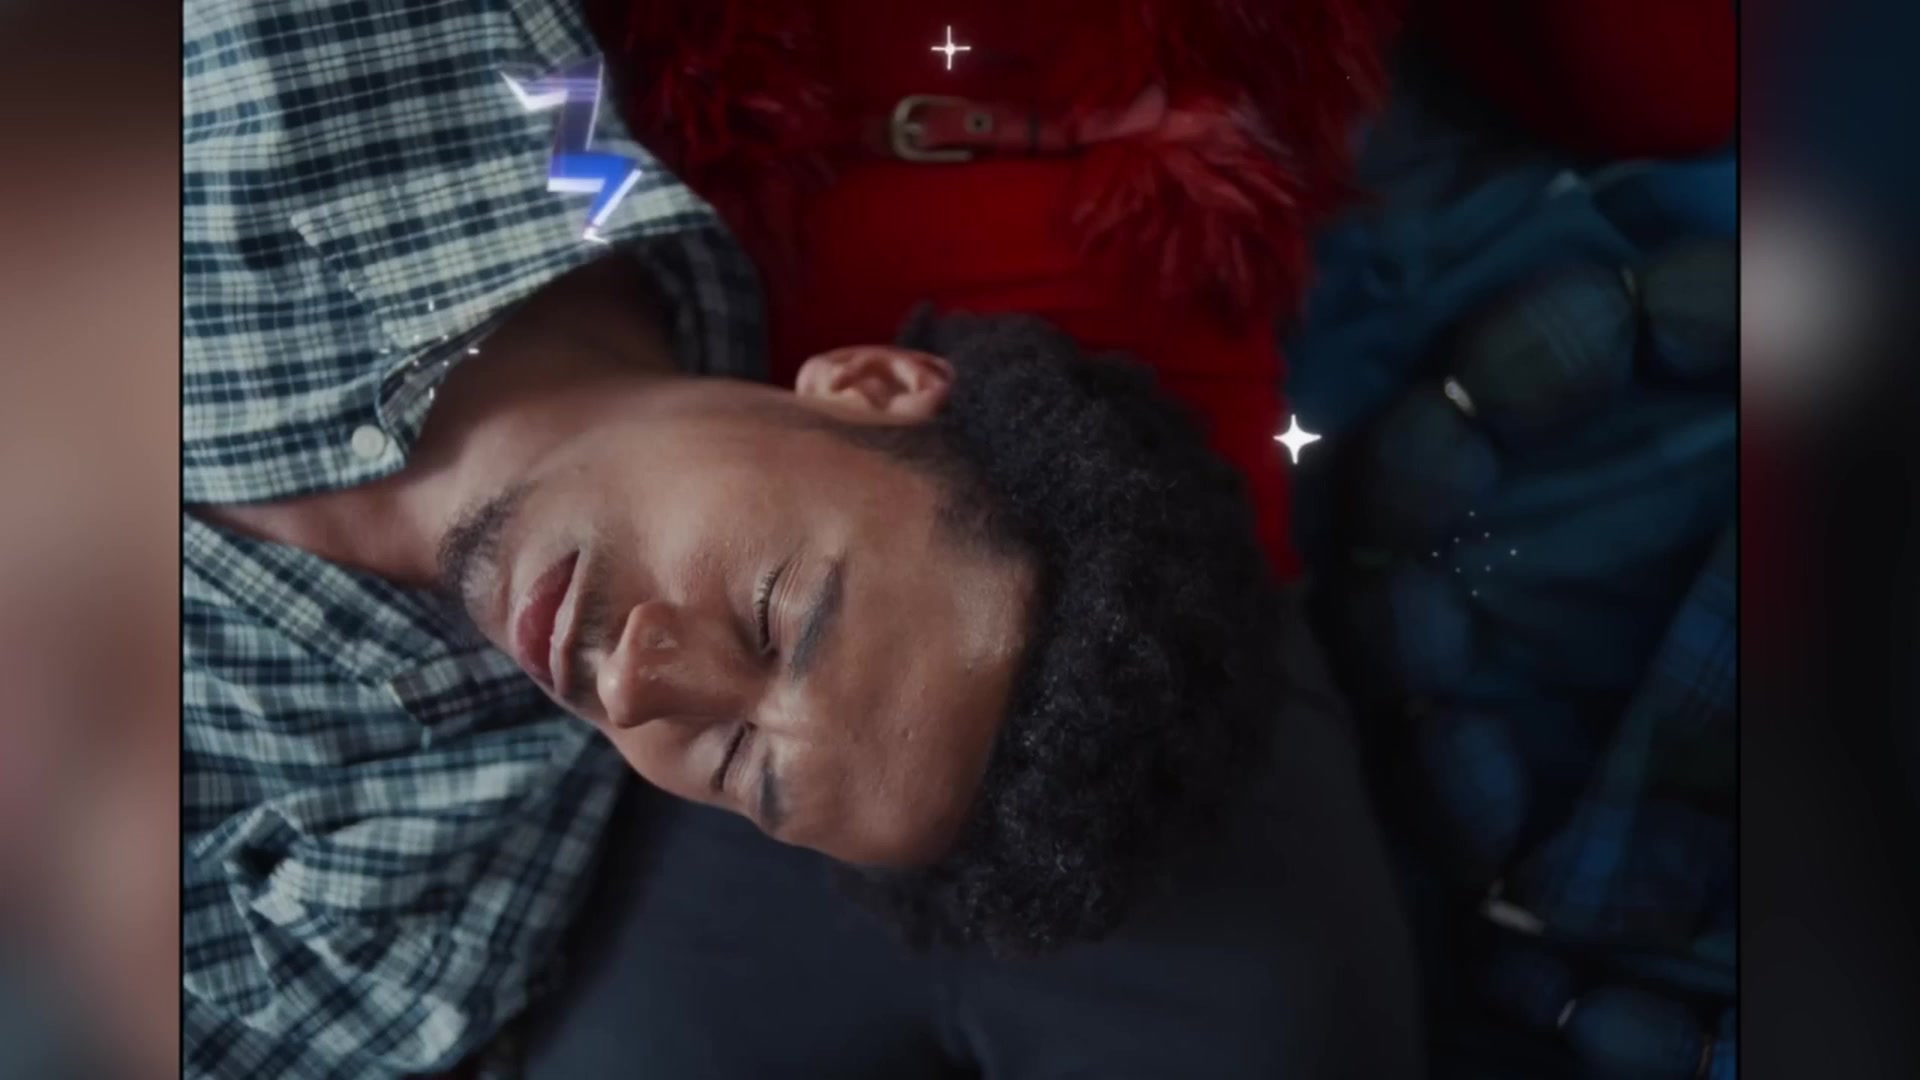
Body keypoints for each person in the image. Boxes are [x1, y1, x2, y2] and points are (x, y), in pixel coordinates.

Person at [183, 1, 1419, 1077]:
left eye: (736, 764)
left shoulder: (406, 937)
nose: (636, 685)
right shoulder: (379, 71)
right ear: (869, 385)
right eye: (772, 613)